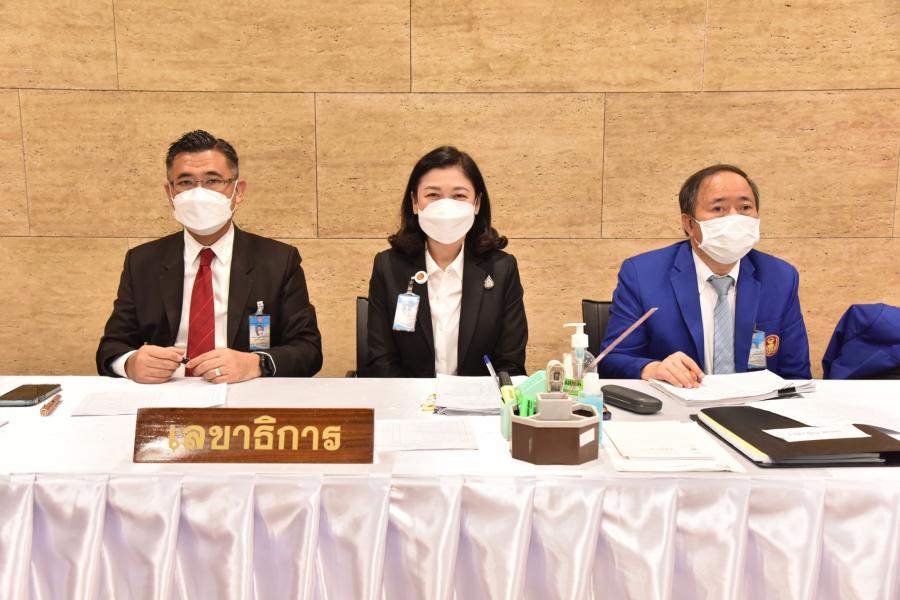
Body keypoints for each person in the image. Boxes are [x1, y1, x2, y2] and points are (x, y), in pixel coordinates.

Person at [96, 130, 323, 383]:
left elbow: (309, 350)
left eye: (213, 180)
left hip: (245, 391)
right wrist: (130, 363)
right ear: (170, 193)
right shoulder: (142, 262)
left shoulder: (278, 261)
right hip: (166, 392)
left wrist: (256, 364)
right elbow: (111, 347)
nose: (198, 193)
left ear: (238, 191)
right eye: (185, 182)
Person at [600, 164, 811, 386]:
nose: (734, 218)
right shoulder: (642, 275)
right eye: (718, 209)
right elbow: (612, 360)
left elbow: (796, 375)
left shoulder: (780, 277)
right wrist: (654, 369)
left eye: (745, 207)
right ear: (690, 224)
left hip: (756, 405)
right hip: (677, 403)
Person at [366, 146, 527, 377]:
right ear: (414, 202)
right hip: (407, 398)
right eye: (433, 195)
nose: (446, 206)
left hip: (479, 399)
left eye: (459, 196)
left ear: (477, 203)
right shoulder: (388, 267)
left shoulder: (501, 269)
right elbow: (382, 361)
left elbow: (510, 363)